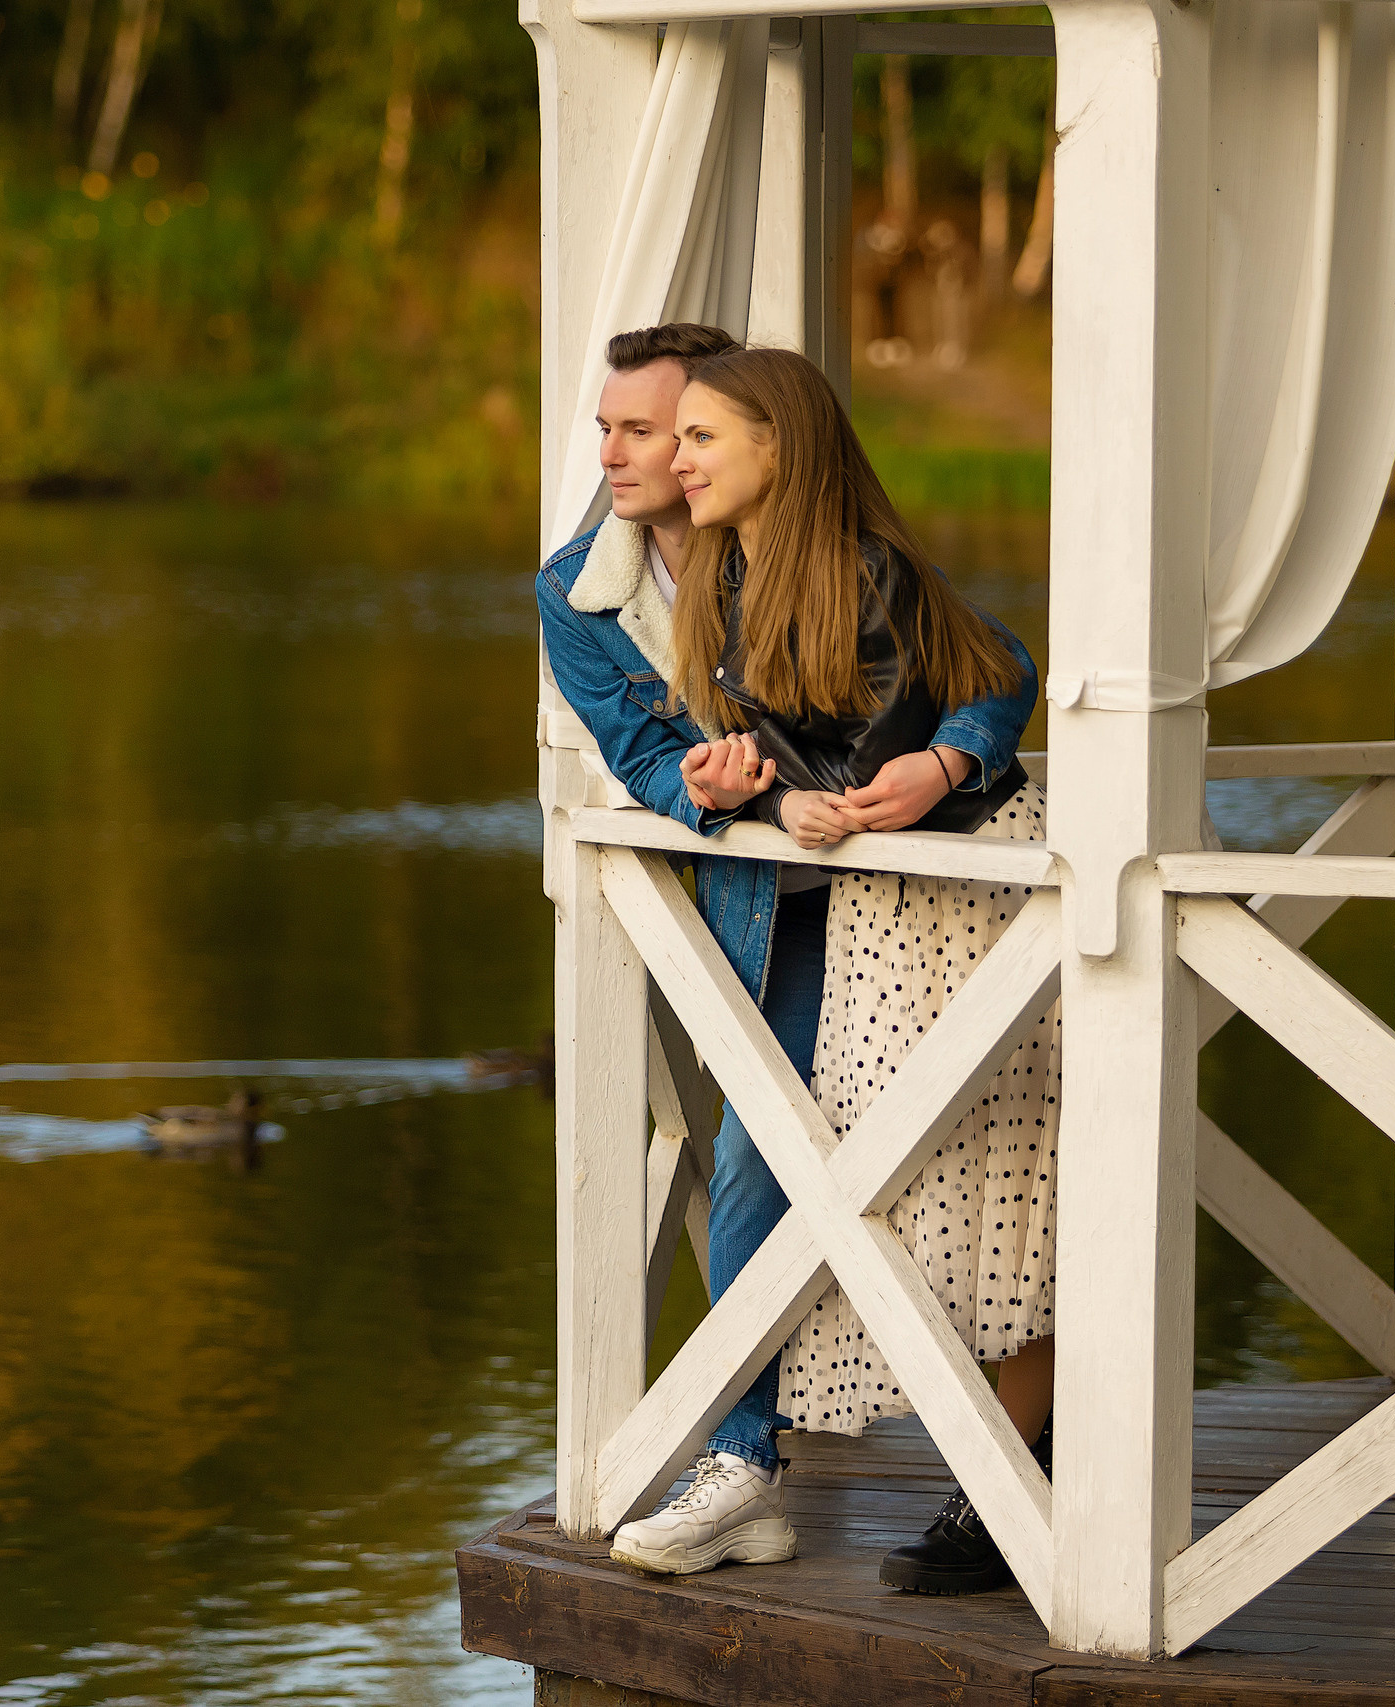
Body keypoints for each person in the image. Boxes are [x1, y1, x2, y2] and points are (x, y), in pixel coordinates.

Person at [534, 325, 1038, 1582]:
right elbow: (652, 758)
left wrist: (946, 758)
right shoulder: (580, 589)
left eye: (649, 430)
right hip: (757, 901)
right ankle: (750, 1458)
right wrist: (724, 791)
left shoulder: (818, 555)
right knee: (766, 1150)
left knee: (963, 1156)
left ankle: (999, 1463)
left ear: (755, 436)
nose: (619, 455)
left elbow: (986, 668)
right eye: (619, 429)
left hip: (898, 888)